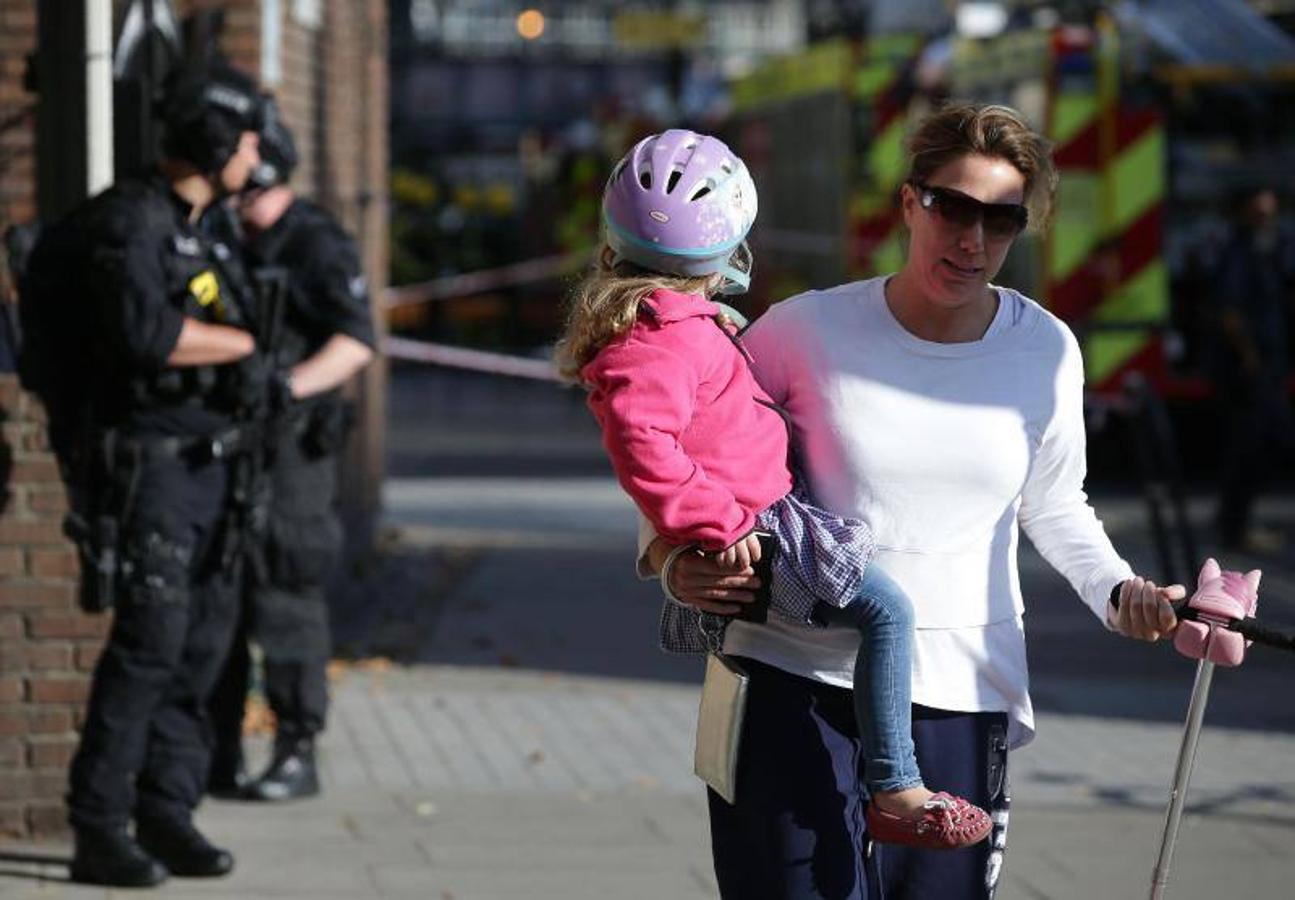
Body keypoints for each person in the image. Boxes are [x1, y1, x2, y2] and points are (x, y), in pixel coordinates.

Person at [639, 104, 1186, 899]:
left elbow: (1055, 503)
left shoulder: (1044, 349)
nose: (971, 241)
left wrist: (1117, 593)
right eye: (951, 208)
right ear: (908, 202)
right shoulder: (804, 330)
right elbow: (681, 444)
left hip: (958, 687)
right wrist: (669, 559)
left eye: (1000, 221)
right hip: (793, 675)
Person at [559, 128, 994, 849]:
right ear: (727, 246)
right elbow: (641, 445)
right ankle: (895, 786)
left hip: (765, 514)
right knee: (886, 612)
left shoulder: (677, 324)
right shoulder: (658, 337)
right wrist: (716, 525)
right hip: (759, 524)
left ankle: (888, 780)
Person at [23, 63, 266, 887]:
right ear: (212, 138)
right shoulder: (127, 222)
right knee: (149, 647)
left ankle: (167, 811)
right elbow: (149, 336)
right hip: (149, 470)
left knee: (202, 647)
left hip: (212, 468)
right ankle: (98, 825)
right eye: (246, 134)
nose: (257, 150)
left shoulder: (204, 224)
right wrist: (240, 348)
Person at [206, 95, 376, 802]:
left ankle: (296, 745)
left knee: (287, 588)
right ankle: (215, 751)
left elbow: (355, 340)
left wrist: (288, 385)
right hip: (231, 444)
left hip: (292, 449)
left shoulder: (315, 242)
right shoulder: (223, 235)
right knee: (221, 594)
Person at [1210, 186, 1295, 552]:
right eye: (1259, 212)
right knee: (1254, 448)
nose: (1266, 219)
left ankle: (1234, 524)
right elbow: (1230, 313)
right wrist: (1249, 358)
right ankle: (1235, 528)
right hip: (1249, 371)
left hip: (1268, 366)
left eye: (1270, 212)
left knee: (1252, 448)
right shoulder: (1240, 253)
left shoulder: (1271, 251)